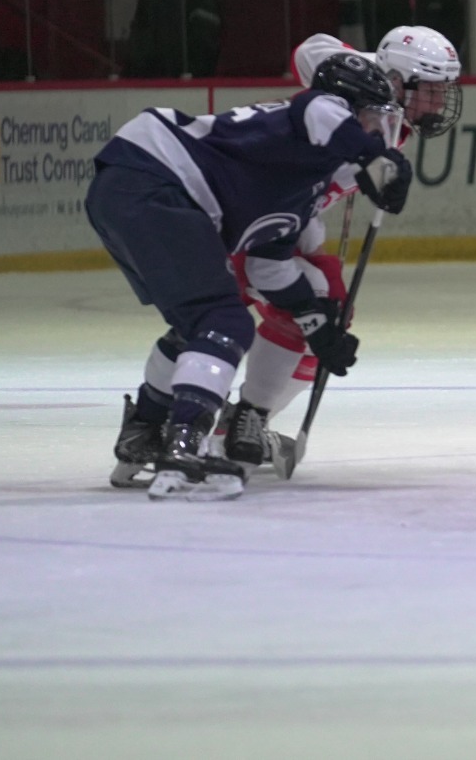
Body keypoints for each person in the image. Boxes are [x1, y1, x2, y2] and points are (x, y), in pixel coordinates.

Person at [90, 52, 414, 501]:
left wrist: (316, 323)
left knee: (199, 323)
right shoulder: (315, 115)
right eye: (373, 119)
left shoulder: (305, 186)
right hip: (156, 176)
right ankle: (182, 446)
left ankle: (145, 429)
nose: (380, 131)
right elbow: (320, 109)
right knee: (223, 321)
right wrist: (378, 159)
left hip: (132, 185)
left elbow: (269, 265)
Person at [200, 26, 464, 477]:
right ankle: (227, 419)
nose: (439, 105)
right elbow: (310, 49)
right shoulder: (358, 89)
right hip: (250, 213)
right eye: (432, 92)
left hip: (291, 217)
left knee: (329, 319)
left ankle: (242, 421)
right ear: (399, 81)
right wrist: (369, 69)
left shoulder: (393, 119)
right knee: (304, 308)